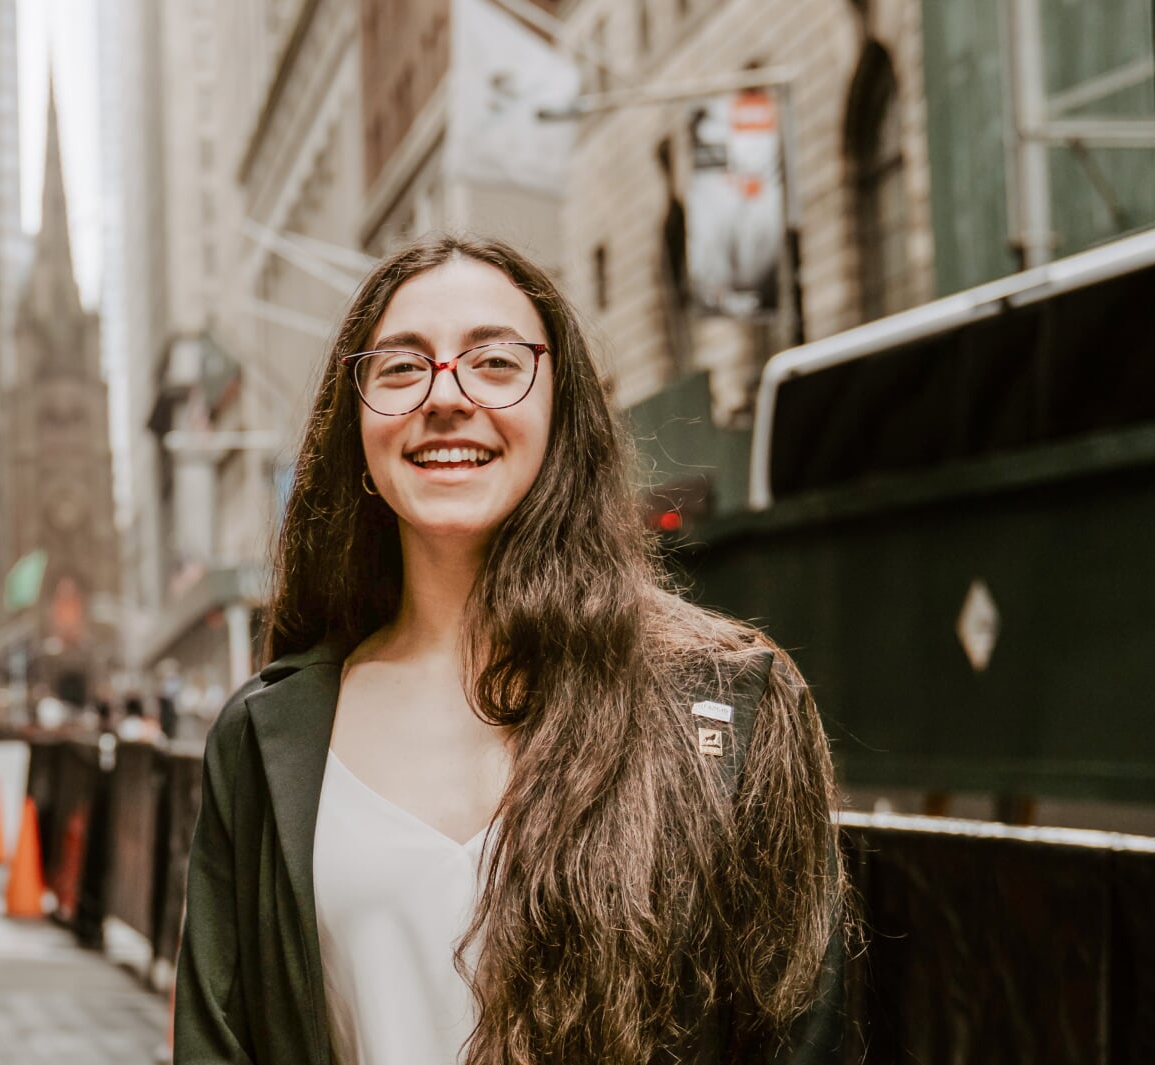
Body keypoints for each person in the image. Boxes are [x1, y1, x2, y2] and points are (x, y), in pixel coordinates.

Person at [174, 236, 843, 1065]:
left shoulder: (727, 703)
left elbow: (797, 1040)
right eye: (400, 368)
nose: (446, 397)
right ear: (353, 431)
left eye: (495, 363)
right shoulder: (265, 737)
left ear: (562, 410)